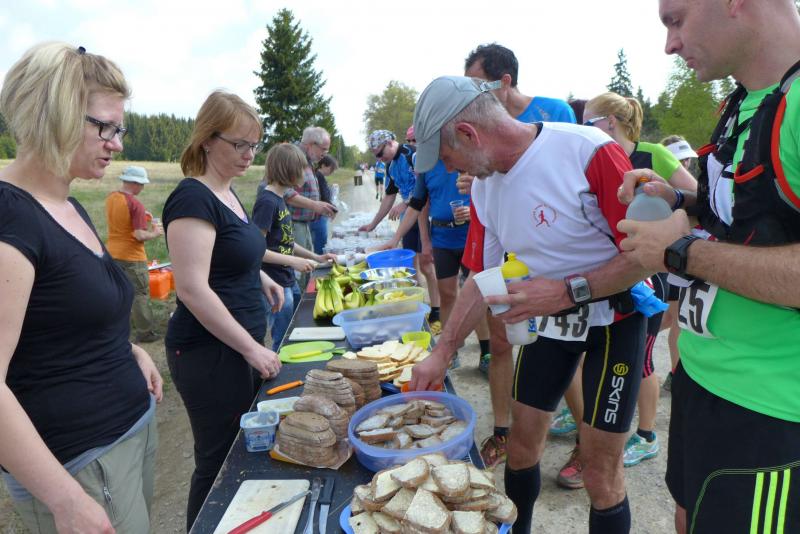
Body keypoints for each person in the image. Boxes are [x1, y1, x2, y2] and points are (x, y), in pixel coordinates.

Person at [410, 75, 649, 534]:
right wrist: (443, 351)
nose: (448, 170)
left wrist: (565, 292)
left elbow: (645, 257)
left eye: (446, 157)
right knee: (520, 449)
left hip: (615, 321)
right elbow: (482, 279)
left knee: (601, 473)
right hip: (552, 324)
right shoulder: (484, 187)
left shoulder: (588, 151)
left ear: (468, 134)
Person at [618, 1, 800, 532]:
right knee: (687, 514)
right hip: (701, 375)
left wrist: (678, 251)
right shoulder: (744, 100)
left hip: (771, 405)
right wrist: (679, 199)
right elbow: (753, 213)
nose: (670, 45)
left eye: (676, 19)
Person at [0, 42, 162, 533]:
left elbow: (65, 312)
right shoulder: (11, 218)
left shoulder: (67, 205)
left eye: (120, 129)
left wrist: (128, 349)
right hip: (81, 464)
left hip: (128, 433)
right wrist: (65, 499)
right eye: (105, 127)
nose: (117, 144)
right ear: (55, 115)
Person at [553, 92, 698, 487]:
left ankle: (646, 436)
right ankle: (587, 417)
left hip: (654, 270)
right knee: (596, 351)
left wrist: (670, 229)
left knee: (644, 356)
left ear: (610, 122)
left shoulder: (653, 154)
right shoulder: (590, 157)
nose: (583, 130)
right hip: (611, 269)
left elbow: (696, 199)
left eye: (588, 123)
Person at [162, 90, 284, 530]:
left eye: (255, 145)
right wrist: (251, 348)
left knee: (243, 449)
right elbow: (193, 288)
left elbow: (231, 254)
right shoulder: (192, 198)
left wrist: (261, 275)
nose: (250, 155)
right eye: (240, 144)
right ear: (208, 140)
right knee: (218, 460)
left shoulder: (228, 192)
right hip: (208, 351)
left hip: (239, 340)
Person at [461, 42, 578, 469]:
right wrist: (474, 181)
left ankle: (586, 441)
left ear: (505, 81)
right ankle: (502, 433)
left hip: (553, 259)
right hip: (504, 248)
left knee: (564, 346)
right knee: (501, 340)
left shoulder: (555, 112)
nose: (471, 96)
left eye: (478, 85)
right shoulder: (476, 125)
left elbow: (568, 176)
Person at [379, 154, 494, 376]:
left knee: (478, 294)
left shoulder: (469, 156)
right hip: (442, 237)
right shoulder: (426, 164)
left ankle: (487, 352)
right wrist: (400, 239)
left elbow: (497, 196)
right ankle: (451, 352)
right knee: (447, 294)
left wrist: (475, 211)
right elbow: (417, 204)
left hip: (472, 236)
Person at [254, 144, 336, 351]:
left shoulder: (280, 199)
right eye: (302, 168)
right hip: (275, 282)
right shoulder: (267, 202)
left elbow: (286, 241)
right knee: (282, 339)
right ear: (288, 170)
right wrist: (294, 261)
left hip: (288, 279)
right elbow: (256, 250)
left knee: (294, 329)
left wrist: (316, 257)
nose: (306, 174)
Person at [359, 129, 443, 334]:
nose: (380, 159)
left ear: (390, 142)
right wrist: (373, 224)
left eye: (380, 153)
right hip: (409, 218)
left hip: (425, 214)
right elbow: (389, 197)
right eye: (376, 156)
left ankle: (437, 311)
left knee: (427, 265)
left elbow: (424, 191)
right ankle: (418, 305)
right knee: (410, 265)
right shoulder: (390, 166)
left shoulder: (411, 154)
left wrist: (405, 203)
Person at [105, 165, 164, 343]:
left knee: (118, 292)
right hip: (132, 257)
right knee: (140, 294)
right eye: (142, 184)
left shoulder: (112, 198)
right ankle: (145, 333)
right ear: (135, 183)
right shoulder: (135, 204)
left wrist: (140, 214)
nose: (142, 187)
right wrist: (155, 233)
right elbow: (139, 235)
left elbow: (121, 218)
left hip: (112, 253)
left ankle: (114, 328)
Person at [658, 134, 698, 392]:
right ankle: (675, 373)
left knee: (673, 318)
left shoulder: (685, 184)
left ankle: (674, 372)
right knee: (675, 320)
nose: (685, 165)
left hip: (681, 257)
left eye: (687, 160)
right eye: (679, 160)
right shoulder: (661, 182)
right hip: (668, 258)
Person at [286, 126, 336, 295]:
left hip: (303, 223)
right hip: (293, 223)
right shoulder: (293, 158)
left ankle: (304, 298)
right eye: (323, 149)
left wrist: (321, 206)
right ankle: (298, 305)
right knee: (298, 272)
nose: (325, 154)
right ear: (311, 144)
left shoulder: (307, 161)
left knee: (307, 267)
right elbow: (284, 191)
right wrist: (315, 205)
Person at [310, 154, 338, 255]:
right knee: (321, 246)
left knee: (319, 243)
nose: (332, 171)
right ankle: (320, 262)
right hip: (319, 216)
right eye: (331, 168)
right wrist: (334, 209)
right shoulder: (319, 176)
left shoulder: (318, 176)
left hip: (318, 215)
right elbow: (323, 197)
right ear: (323, 165)